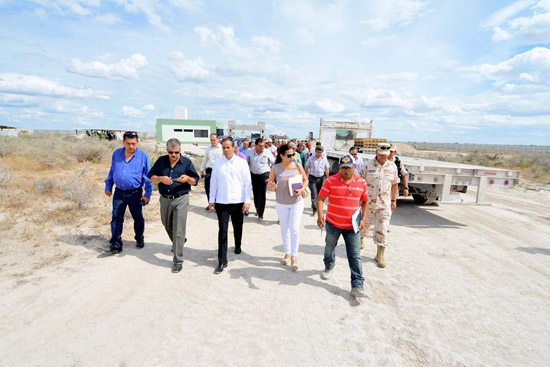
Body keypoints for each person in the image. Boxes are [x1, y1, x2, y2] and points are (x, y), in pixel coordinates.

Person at [317, 154, 369, 299]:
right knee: (329, 248)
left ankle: (357, 285)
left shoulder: (361, 182)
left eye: (348, 167)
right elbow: (321, 199)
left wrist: (363, 219)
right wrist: (320, 216)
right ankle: (329, 266)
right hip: (333, 223)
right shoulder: (330, 181)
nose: (346, 171)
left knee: (355, 255)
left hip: (353, 227)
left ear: (354, 167)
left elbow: (365, 201)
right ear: (339, 168)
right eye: (343, 168)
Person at [148, 138, 199, 273]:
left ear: (180, 150)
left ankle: (178, 260)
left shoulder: (187, 162)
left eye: (176, 152)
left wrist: (187, 179)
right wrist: (160, 179)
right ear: (167, 151)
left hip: (181, 198)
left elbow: (195, 181)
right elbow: (151, 176)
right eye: (171, 152)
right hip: (165, 199)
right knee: (167, 224)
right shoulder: (161, 161)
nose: (174, 155)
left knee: (178, 229)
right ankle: (179, 241)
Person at [103, 131, 153, 254]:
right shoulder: (116, 154)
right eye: (128, 143)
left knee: (137, 217)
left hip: (135, 193)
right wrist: (108, 185)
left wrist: (147, 195)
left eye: (134, 144)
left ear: (138, 142)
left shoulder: (143, 156)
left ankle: (139, 237)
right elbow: (112, 170)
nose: (131, 147)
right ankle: (115, 243)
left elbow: (149, 177)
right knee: (116, 217)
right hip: (119, 192)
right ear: (123, 142)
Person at [209, 138, 252, 274]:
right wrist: (212, 200)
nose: (226, 150)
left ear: (234, 148)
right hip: (222, 202)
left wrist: (247, 200)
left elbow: (247, 183)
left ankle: (237, 244)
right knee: (222, 230)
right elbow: (213, 183)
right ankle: (222, 261)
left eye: (228, 148)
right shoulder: (218, 163)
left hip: (238, 201)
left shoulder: (242, 163)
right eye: (224, 148)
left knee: (237, 226)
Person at [267, 144, 308, 271]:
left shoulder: (297, 165)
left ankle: (294, 256)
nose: (292, 157)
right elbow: (269, 185)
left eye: (293, 154)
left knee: (294, 229)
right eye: (289, 155)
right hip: (281, 203)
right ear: (281, 156)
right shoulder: (275, 168)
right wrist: (272, 186)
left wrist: (302, 189)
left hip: (296, 202)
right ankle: (287, 252)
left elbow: (305, 180)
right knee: (285, 229)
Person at [358, 143, 399, 267]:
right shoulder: (367, 165)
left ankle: (380, 255)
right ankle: (360, 239)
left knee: (382, 229)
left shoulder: (392, 167)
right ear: (376, 153)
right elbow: (359, 182)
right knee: (363, 225)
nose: (383, 157)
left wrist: (394, 200)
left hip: (384, 204)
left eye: (386, 155)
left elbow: (395, 184)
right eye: (381, 155)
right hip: (367, 203)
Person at [247, 138, 275, 220]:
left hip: (264, 175)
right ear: (255, 145)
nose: (262, 147)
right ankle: (257, 209)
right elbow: (246, 163)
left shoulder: (267, 152)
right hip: (253, 175)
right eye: (260, 146)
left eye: (263, 146)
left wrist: (271, 176)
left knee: (262, 194)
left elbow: (273, 162)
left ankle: (261, 213)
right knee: (255, 193)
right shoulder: (250, 153)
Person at [305, 145, 330, 215]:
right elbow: (307, 167)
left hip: (320, 178)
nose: (319, 154)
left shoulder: (324, 159)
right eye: (318, 152)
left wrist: (328, 178)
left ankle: (318, 206)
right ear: (315, 152)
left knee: (320, 194)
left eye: (320, 152)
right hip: (312, 178)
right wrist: (304, 178)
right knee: (314, 194)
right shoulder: (311, 158)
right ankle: (314, 209)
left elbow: (327, 168)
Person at [200, 133, 223, 210]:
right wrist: (201, 170)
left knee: (218, 189)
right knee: (207, 187)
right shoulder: (208, 148)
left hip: (219, 171)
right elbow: (205, 159)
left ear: (217, 139)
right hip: (209, 170)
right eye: (211, 140)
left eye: (214, 140)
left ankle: (218, 205)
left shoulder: (221, 148)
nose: (212, 141)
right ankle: (210, 203)